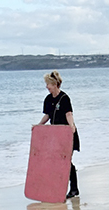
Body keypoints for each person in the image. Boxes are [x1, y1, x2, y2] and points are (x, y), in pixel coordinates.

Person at [38, 70, 80, 199]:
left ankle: (73, 189)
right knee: (56, 161)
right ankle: (58, 187)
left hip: (67, 134)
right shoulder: (48, 99)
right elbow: (48, 115)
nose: (46, 86)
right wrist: (39, 125)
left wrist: (71, 126)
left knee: (66, 161)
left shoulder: (64, 98)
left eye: (48, 84)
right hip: (55, 135)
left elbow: (68, 114)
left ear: (54, 84)